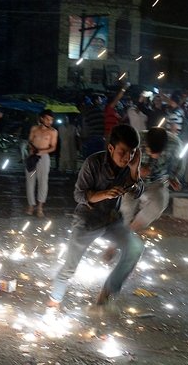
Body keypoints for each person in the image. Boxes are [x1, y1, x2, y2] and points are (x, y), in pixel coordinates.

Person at [47, 124, 144, 308]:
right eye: (123, 152)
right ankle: (53, 302)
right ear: (111, 148)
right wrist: (105, 194)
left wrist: (135, 170)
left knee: (135, 248)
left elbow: (137, 192)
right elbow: (79, 195)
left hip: (112, 221)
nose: (127, 157)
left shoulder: (129, 167)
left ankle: (108, 291)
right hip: (88, 220)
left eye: (131, 153)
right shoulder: (93, 163)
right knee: (69, 267)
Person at [120, 127, 184, 232]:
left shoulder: (175, 145)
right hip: (132, 180)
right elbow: (120, 162)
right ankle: (116, 239)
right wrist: (136, 170)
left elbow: (179, 163)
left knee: (158, 205)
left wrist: (174, 178)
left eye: (158, 153)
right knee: (126, 208)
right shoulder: (135, 140)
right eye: (150, 151)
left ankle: (130, 232)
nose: (154, 156)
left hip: (156, 181)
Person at [25, 109, 58, 218]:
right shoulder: (34, 129)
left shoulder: (53, 132)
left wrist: (41, 151)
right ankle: (31, 205)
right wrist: (31, 149)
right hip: (32, 158)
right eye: (47, 119)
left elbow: (53, 147)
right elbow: (29, 141)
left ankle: (40, 207)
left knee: (43, 182)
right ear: (42, 118)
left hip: (43, 158)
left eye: (51, 120)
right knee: (30, 181)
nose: (50, 122)